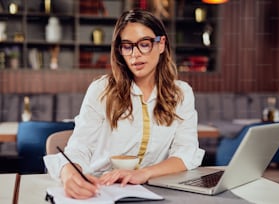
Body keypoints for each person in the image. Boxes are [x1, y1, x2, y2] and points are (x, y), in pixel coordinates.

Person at [44, 9, 204, 199]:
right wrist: (69, 174)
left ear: (161, 44)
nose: (135, 55)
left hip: (156, 191)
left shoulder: (181, 93)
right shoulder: (101, 89)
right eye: (127, 46)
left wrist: (143, 173)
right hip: (101, 190)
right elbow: (79, 148)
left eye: (144, 44)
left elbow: (185, 153)